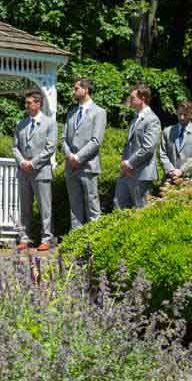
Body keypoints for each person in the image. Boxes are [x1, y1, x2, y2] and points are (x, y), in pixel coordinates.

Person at [12, 91, 57, 251]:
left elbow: (50, 147)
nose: (27, 105)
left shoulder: (49, 123)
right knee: (25, 207)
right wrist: (22, 161)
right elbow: (15, 147)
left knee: (45, 207)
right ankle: (25, 238)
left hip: (41, 171)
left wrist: (34, 162)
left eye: (30, 102)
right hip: (23, 171)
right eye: (26, 102)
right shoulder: (21, 123)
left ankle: (46, 238)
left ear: (39, 104)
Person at [63, 78, 106, 230]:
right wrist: (70, 156)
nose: (73, 91)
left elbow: (96, 140)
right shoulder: (71, 113)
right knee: (74, 208)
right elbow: (64, 140)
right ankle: (75, 243)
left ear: (86, 89)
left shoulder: (99, 112)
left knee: (92, 207)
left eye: (76, 88)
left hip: (88, 166)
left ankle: (95, 244)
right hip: (71, 167)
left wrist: (78, 158)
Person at [116, 84, 162, 210]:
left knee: (142, 212)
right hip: (127, 173)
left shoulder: (152, 120)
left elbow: (148, 148)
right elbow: (129, 146)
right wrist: (125, 167)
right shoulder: (135, 119)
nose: (129, 101)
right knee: (119, 208)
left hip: (142, 174)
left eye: (132, 98)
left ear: (142, 98)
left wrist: (130, 163)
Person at [160, 100, 192, 184]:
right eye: (180, 114)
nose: (182, 117)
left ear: (191, 115)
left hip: (190, 180)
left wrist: (182, 170)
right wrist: (171, 170)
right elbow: (162, 154)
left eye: (185, 115)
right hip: (169, 180)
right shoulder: (167, 131)